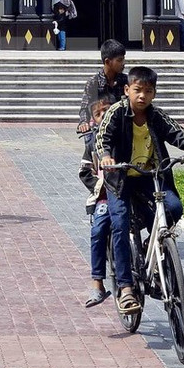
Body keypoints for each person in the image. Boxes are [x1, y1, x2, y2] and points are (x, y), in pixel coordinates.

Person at [94, 64, 184, 315]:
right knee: (120, 225)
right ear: (127, 90)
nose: (142, 96)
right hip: (120, 178)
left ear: (154, 93)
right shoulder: (116, 113)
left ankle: (149, 247)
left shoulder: (155, 115)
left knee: (174, 208)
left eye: (148, 91)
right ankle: (125, 289)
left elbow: (177, 132)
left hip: (151, 177)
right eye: (137, 90)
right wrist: (106, 156)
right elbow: (103, 138)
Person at [79, 96, 113, 307]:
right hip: (104, 196)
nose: (103, 117)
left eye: (107, 112)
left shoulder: (123, 133)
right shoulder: (91, 142)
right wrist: (100, 186)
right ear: (92, 120)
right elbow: (84, 172)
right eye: (98, 115)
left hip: (130, 192)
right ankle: (97, 283)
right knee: (99, 229)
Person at [77, 39, 128, 135]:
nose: (123, 63)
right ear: (107, 62)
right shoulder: (93, 82)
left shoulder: (126, 81)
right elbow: (85, 107)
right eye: (119, 60)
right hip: (100, 131)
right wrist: (84, 122)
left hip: (122, 130)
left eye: (123, 59)